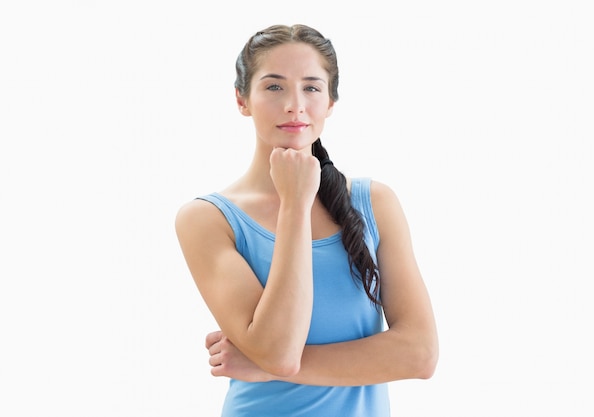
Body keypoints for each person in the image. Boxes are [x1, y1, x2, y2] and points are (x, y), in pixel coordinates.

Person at [175, 23, 438, 417]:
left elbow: (419, 354)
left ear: (330, 101)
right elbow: (280, 353)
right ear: (242, 99)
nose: (294, 104)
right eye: (274, 86)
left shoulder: (375, 203)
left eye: (312, 87)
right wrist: (295, 203)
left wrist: (266, 365)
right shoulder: (208, 219)